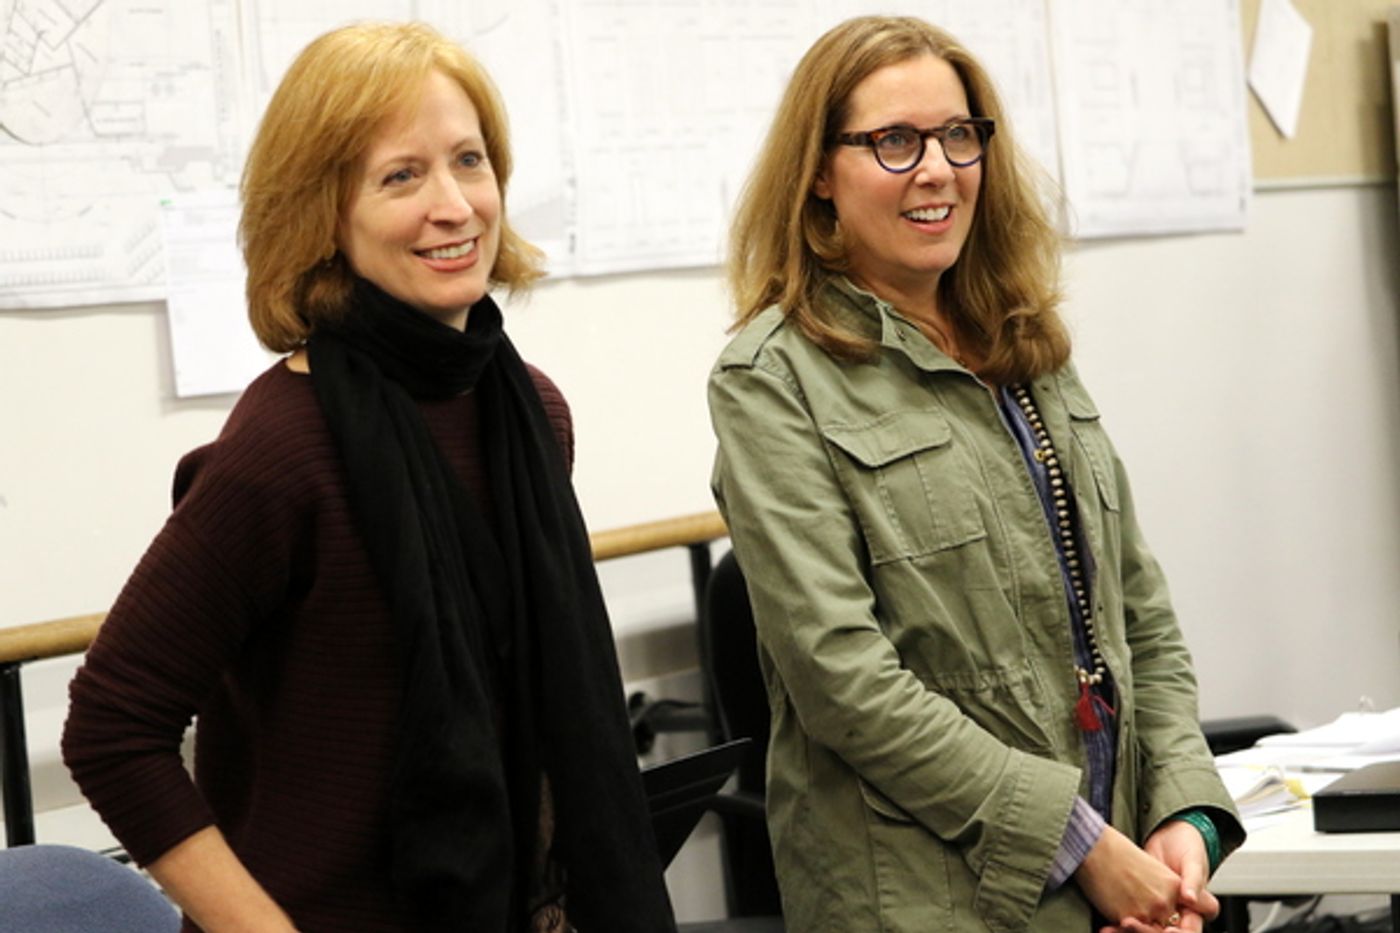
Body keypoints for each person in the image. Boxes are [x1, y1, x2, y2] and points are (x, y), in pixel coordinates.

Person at [63, 22, 675, 933]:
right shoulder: (282, 445)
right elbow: (111, 730)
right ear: (322, 213)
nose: (455, 206)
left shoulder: (531, 413)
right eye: (401, 175)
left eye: (469, 161)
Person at [708, 16, 1243, 933]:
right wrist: (1081, 844)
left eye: (959, 135)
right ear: (820, 178)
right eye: (892, 141)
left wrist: (1182, 816)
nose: (936, 169)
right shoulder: (773, 379)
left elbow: (1137, 612)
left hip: (1118, 880)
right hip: (927, 897)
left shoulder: (1025, 344)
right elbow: (846, 682)